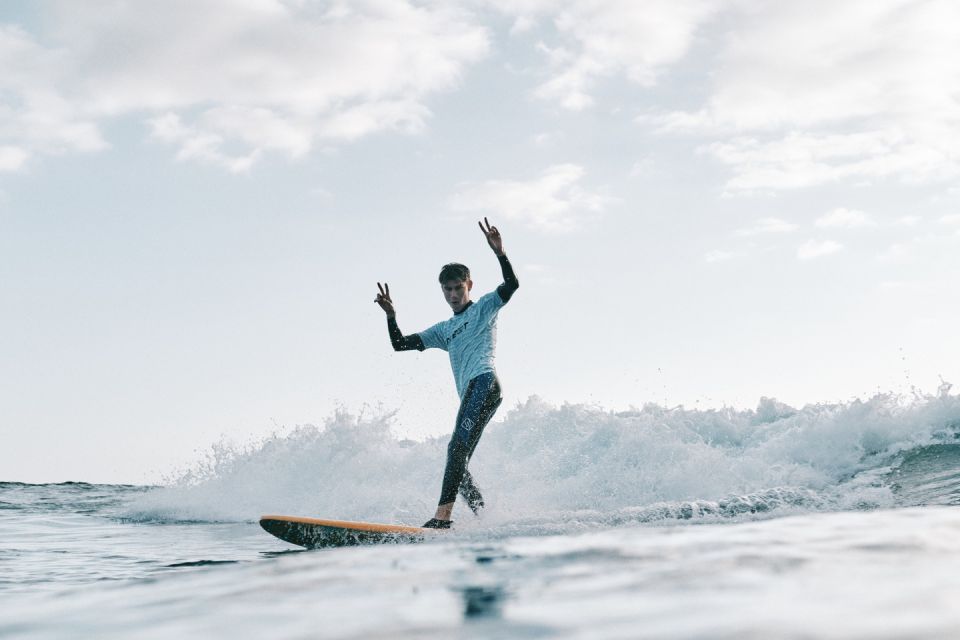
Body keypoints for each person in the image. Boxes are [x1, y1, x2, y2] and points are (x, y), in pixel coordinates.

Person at [374, 218, 519, 529]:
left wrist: (500, 253)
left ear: (469, 285)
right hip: (474, 391)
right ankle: (487, 519)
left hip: (484, 382)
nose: (453, 294)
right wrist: (391, 316)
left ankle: (442, 518)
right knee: (459, 460)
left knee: (455, 449)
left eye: (458, 288)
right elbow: (400, 344)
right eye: (448, 289)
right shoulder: (444, 331)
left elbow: (511, 286)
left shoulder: (483, 308)